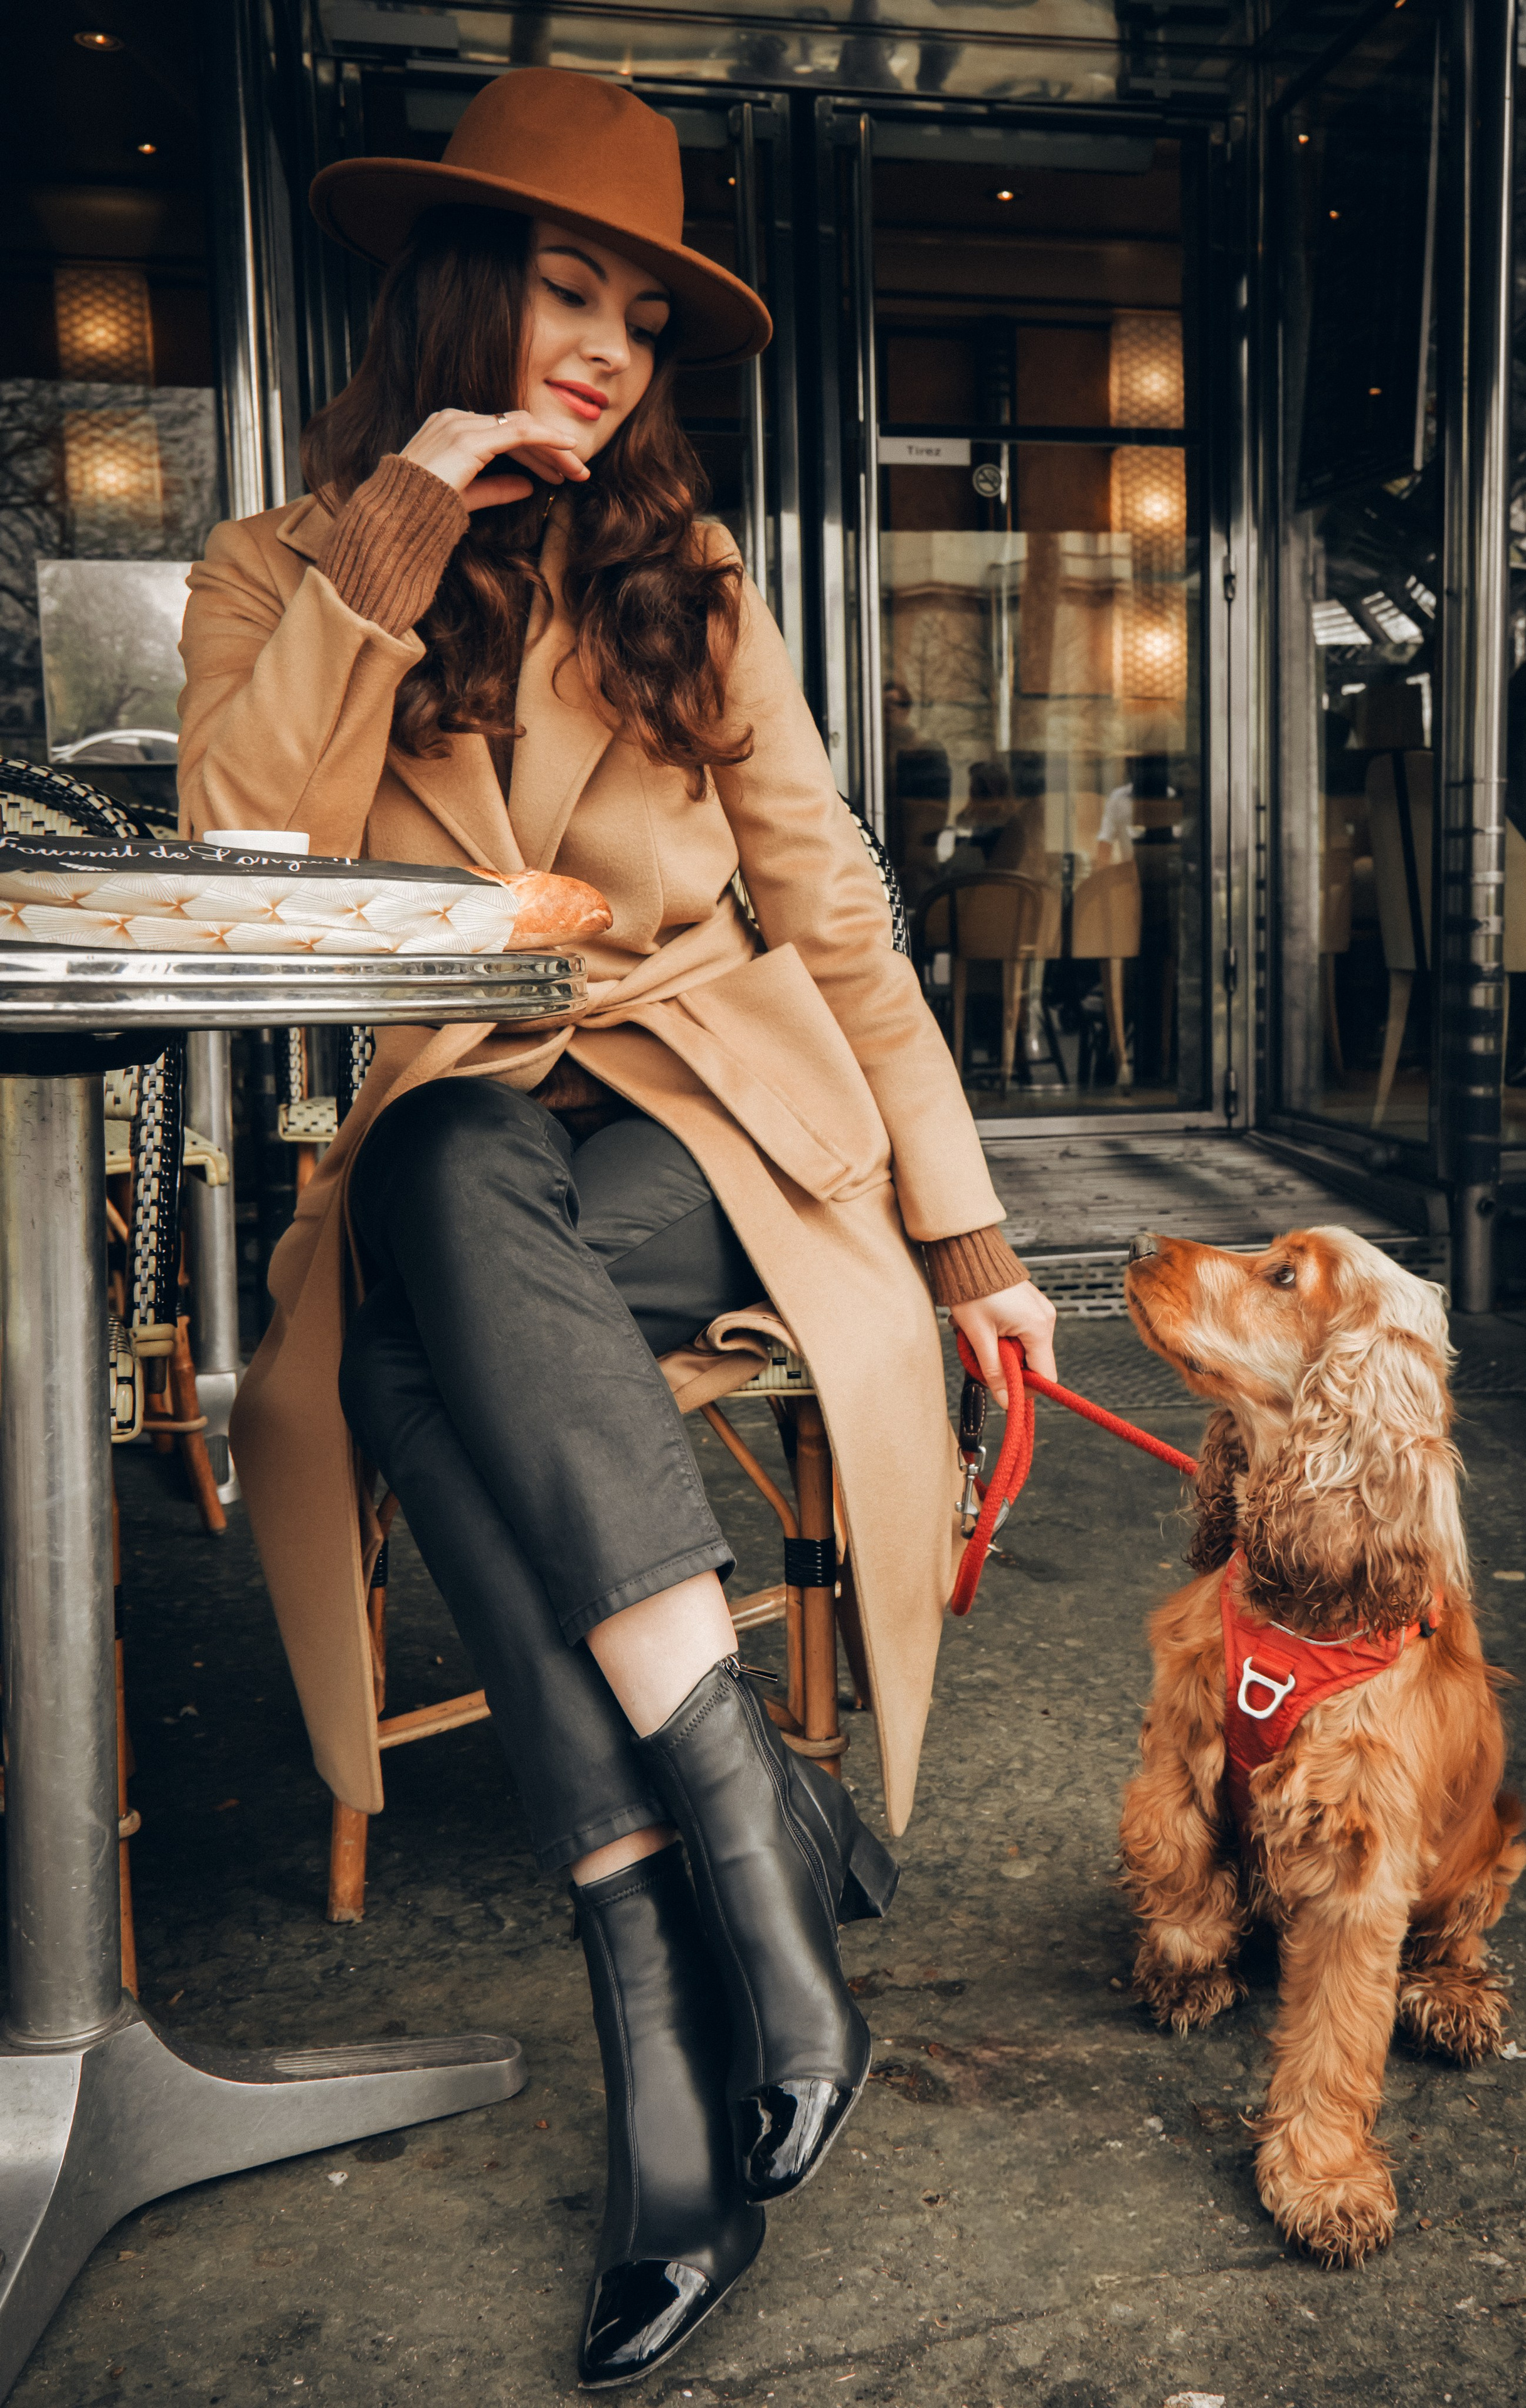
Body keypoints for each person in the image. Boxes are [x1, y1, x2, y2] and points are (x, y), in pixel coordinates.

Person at [177, 70, 1056, 2392]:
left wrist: (970, 1238)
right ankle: (730, 1892)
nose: (606, 350)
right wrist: (399, 536)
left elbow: (838, 912)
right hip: (458, 1132)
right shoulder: (281, 568)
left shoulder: (688, 572)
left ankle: (707, 1951)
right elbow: (244, 867)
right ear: (463, 287)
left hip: (711, 1129)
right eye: (569, 291)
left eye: (641, 319)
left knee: (429, 1284)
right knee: (437, 1215)